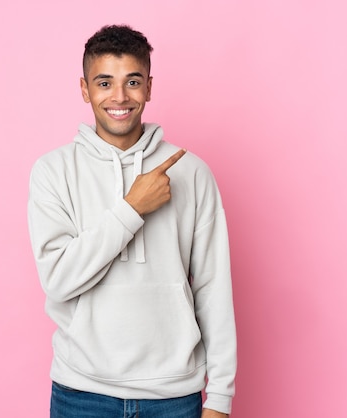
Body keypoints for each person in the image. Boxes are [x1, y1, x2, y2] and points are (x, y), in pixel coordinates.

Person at [28, 24, 236, 418]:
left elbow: (213, 285)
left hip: (174, 396)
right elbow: (57, 280)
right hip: (81, 393)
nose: (119, 97)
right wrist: (132, 208)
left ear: (150, 87)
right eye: (104, 82)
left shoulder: (191, 172)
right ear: (85, 89)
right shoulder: (52, 171)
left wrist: (221, 398)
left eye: (133, 82)